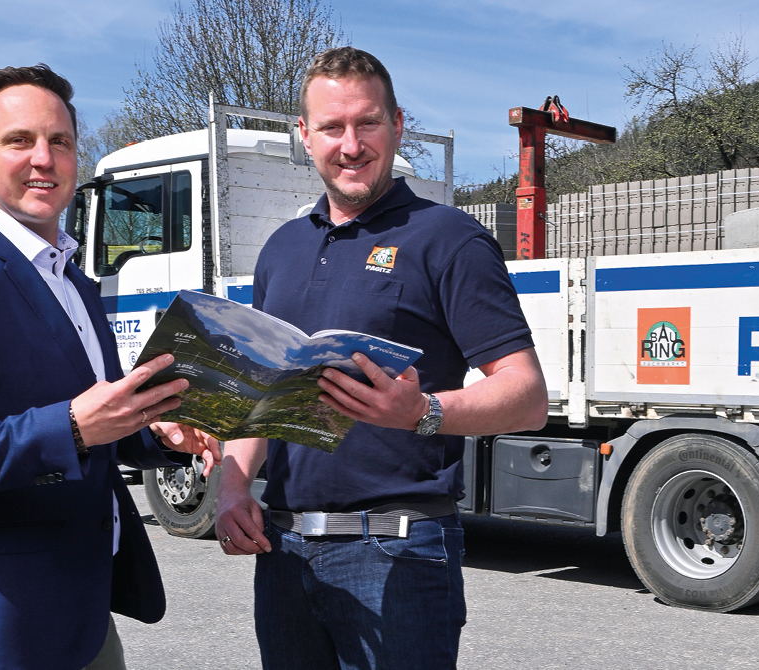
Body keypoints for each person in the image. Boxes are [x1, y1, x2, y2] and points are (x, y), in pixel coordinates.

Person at [213, 47, 548, 669]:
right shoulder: (281, 250)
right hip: (282, 553)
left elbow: (527, 395)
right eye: (331, 128)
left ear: (397, 124)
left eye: (367, 123)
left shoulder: (450, 239)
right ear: (303, 137)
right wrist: (231, 487)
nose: (351, 144)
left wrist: (420, 412)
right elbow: (262, 396)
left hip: (399, 550)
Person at [0, 64, 221, 670]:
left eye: (60, 142)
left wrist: (157, 433)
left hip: (82, 607)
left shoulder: (74, 281)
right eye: (20, 140)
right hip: (6, 622)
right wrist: (69, 427)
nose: (43, 158)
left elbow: (98, 416)